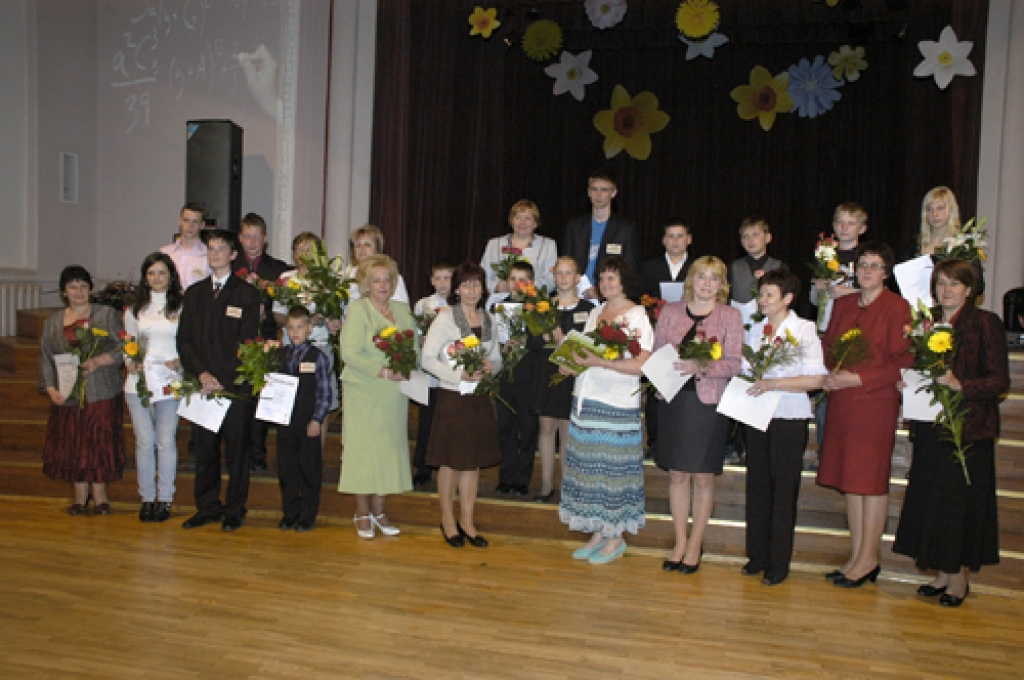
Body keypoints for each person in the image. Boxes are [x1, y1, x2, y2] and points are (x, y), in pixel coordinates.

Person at [893, 260, 1008, 607]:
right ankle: (942, 573)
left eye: (954, 284)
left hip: (967, 430)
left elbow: (999, 380)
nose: (946, 290)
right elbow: (921, 368)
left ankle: (959, 580)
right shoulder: (926, 323)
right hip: (931, 426)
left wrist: (961, 385)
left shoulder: (985, 322)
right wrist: (908, 385)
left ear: (969, 289)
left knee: (959, 506)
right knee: (933, 502)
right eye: (941, 283)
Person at [816, 242, 912, 587]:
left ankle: (869, 558)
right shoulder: (843, 304)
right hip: (843, 401)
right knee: (850, 481)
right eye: (863, 265)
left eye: (875, 265)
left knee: (870, 482)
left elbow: (905, 360)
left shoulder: (898, 307)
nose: (868, 271)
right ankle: (856, 556)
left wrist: (858, 378)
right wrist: (830, 374)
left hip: (875, 402)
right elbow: (828, 346)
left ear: (886, 272)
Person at [652, 256, 743, 573]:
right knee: (677, 474)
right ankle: (679, 542)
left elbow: (734, 364)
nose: (707, 283)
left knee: (703, 477)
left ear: (722, 285)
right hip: (674, 401)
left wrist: (700, 365)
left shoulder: (730, 316)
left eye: (714, 278)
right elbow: (657, 352)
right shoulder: (671, 312)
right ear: (691, 280)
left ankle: (695, 545)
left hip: (708, 405)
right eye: (702, 277)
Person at [559, 256, 653, 564]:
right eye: (601, 278)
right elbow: (585, 354)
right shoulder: (595, 312)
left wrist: (599, 362)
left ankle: (616, 536)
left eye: (612, 277)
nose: (606, 283)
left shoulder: (637, 315)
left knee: (614, 472)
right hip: (586, 398)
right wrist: (570, 364)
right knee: (590, 470)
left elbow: (641, 365)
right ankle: (598, 532)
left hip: (616, 402)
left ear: (624, 280)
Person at [740, 270, 827, 585]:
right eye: (761, 294)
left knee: (783, 489)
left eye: (769, 295)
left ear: (788, 298)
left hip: (789, 416)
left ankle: (778, 562)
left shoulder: (804, 329)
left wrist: (774, 383)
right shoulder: (756, 329)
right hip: (757, 414)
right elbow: (745, 370)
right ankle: (757, 555)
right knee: (758, 486)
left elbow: (816, 379)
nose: (762, 300)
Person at [177, 229, 262, 532]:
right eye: (211, 249)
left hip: (234, 386)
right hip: (202, 386)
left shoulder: (247, 294)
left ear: (233, 254)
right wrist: (202, 375)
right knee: (204, 451)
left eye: (221, 249)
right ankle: (207, 507)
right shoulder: (194, 293)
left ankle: (235, 509)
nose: (215, 254)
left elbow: (247, 344)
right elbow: (184, 341)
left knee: (237, 453)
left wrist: (221, 379)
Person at [421, 262, 503, 548]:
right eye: (465, 284)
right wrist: (459, 375)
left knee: (472, 461)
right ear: (457, 289)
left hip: (479, 398)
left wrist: (491, 366)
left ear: (483, 288)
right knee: (450, 462)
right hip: (453, 397)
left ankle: (467, 521)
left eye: (476, 284)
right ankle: (447, 520)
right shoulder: (446, 317)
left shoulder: (489, 318)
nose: (471, 290)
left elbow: (497, 358)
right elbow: (427, 359)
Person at [339, 254, 417, 538]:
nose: (383, 285)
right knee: (362, 452)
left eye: (387, 280)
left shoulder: (402, 310)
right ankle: (362, 512)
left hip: (394, 394)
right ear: (366, 284)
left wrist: (411, 369)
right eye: (377, 280)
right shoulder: (358, 309)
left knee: (387, 451)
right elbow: (349, 353)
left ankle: (380, 511)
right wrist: (383, 371)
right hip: (364, 390)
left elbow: (414, 349)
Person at [39, 266, 126, 515]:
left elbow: (124, 348)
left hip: (102, 391)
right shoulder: (52, 322)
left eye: (83, 286)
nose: (78, 291)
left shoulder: (106, 314)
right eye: (72, 287)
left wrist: (98, 361)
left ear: (90, 288)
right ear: (64, 292)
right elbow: (46, 357)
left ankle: (100, 497)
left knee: (100, 442)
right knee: (73, 443)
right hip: (68, 393)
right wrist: (50, 388)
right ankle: (79, 497)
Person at [124, 253, 183, 523]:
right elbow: (129, 342)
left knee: (166, 441)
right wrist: (130, 362)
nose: (157, 278)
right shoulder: (134, 309)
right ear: (145, 277)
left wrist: (180, 362)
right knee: (144, 441)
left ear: (170, 275)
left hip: (169, 382)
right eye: (151, 273)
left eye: (161, 272)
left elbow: (188, 342)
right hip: (139, 383)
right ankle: (147, 497)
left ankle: (166, 498)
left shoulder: (181, 306)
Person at [809, 203, 867, 471]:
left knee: (850, 398)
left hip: (855, 333)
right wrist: (819, 289)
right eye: (840, 222)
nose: (845, 228)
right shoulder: (825, 255)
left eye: (851, 223)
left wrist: (849, 293)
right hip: (826, 329)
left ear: (862, 229)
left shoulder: (866, 258)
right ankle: (825, 455)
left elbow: (876, 294)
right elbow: (813, 299)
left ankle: (849, 456)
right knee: (824, 395)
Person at [233, 212, 292, 473]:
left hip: (267, 339)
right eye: (247, 236)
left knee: (261, 399)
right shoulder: (230, 266)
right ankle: (238, 452)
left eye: (257, 237)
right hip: (237, 340)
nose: (252, 242)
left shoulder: (278, 269)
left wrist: (265, 310)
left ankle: (258, 452)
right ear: (240, 238)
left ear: (265, 238)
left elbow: (285, 307)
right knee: (239, 398)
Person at [532, 256, 595, 503]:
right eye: (559, 273)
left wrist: (565, 344)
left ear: (578, 278)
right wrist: (547, 336)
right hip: (546, 371)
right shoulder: (543, 306)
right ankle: (546, 485)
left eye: (569, 273)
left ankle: (567, 487)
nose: (564, 278)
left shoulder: (588, 309)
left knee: (568, 430)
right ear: (553, 276)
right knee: (546, 428)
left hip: (573, 373)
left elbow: (592, 345)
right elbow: (531, 342)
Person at [638, 220, 695, 461]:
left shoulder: (696, 267)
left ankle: (685, 442)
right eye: (670, 236)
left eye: (680, 236)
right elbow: (641, 299)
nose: (675, 241)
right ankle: (655, 442)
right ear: (663, 240)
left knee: (686, 390)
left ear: (689, 239)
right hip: (658, 335)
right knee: (657, 389)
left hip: (691, 335)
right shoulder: (650, 267)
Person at [273, 232, 342, 418]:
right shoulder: (286, 279)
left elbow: (336, 314)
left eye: (309, 249)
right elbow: (277, 314)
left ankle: (317, 437)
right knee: (290, 401)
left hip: (319, 346)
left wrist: (325, 318)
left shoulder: (328, 279)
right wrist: (298, 322)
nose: (304, 253)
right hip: (290, 346)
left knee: (321, 401)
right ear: (293, 254)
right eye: (299, 249)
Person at [276, 306, 332, 532]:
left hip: (308, 422)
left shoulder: (318, 357)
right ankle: (290, 512)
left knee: (309, 470)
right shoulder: (279, 355)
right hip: (285, 422)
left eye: (300, 327)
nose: (295, 332)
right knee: (287, 469)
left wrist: (316, 420)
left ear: (309, 328)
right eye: (291, 328)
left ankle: (308, 515)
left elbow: (324, 393)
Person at [494, 260, 544, 497]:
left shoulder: (538, 308)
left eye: (522, 280)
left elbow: (542, 342)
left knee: (527, 430)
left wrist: (526, 340)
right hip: (505, 379)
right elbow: (490, 343)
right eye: (513, 279)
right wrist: (501, 348)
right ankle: (506, 477)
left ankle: (523, 479)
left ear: (530, 283)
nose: (516, 284)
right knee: (505, 429)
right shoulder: (498, 307)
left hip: (529, 379)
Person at [562, 172, 641, 300]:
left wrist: (600, 292)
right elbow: (566, 261)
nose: (598, 194)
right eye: (594, 189)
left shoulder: (625, 228)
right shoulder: (575, 226)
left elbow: (630, 269)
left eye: (604, 190)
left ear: (613, 193)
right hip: (577, 294)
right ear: (588, 192)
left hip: (609, 296)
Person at [411, 262, 454, 488]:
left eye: (447, 278)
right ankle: (423, 466)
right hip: (428, 374)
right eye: (438, 278)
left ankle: (447, 465)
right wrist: (424, 340)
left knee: (447, 421)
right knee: (426, 422)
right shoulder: (423, 305)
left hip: (450, 373)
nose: (443, 283)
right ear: (431, 281)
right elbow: (415, 335)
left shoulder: (458, 305)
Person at [480, 199, 558, 294]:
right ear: (511, 221)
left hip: (534, 301)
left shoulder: (548, 245)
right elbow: (481, 277)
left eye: (527, 218)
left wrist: (528, 287)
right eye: (518, 217)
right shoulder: (494, 244)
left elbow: (552, 278)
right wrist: (496, 286)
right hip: (499, 300)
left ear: (535, 223)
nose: (522, 222)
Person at [728, 217, 788, 306]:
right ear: (741, 241)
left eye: (755, 234)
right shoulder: (732, 267)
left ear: (768, 238)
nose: (750, 240)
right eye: (745, 236)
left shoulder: (780, 267)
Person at [347, 224, 410, 303]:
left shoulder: (391, 275)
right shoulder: (345, 276)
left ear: (378, 249)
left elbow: (401, 306)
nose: (361, 248)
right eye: (357, 245)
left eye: (367, 244)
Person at [160, 202, 211, 290]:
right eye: (186, 220)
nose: (190, 226)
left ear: (202, 225)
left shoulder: (209, 255)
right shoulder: (164, 253)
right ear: (180, 221)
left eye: (195, 222)